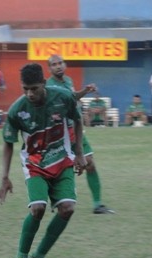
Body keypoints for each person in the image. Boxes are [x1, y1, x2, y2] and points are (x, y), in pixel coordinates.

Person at [0, 63, 87, 258]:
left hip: (62, 160)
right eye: (25, 88)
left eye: (34, 88)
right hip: (35, 165)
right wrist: (5, 177)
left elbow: (77, 119)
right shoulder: (18, 110)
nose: (30, 93)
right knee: (38, 209)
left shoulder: (63, 97)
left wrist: (80, 152)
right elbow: (8, 143)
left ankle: (38, 257)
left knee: (67, 209)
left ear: (43, 84)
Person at [46, 54, 115, 214]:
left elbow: (72, 96)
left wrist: (85, 90)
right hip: (62, 133)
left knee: (89, 163)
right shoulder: (50, 86)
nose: (58, 66)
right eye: (54, 64)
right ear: (49, 68)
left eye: (60, 63)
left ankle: (97, 204)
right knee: (59, 169)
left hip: (76, 129)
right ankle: (55, 200)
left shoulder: (68, 80)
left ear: (65, 64)